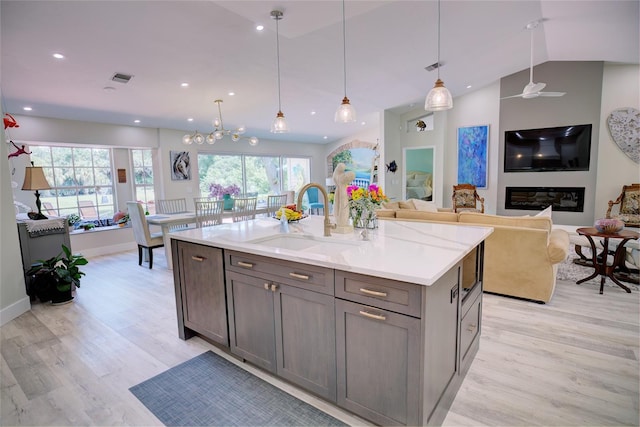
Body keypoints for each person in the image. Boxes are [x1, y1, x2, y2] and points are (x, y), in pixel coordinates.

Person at [332, 163, 355, 230]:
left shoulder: (337, 176)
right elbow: (352, 175)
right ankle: (341, 221)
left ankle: (340, 221)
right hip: (342, 191)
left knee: (339, 205)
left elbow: (335, 180)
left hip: (339, 191)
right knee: (342, 205)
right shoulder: (341, 177)